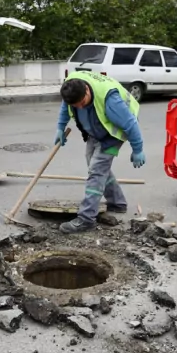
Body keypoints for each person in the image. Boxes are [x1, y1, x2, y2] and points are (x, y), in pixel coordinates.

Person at [54, 71, 145, 234]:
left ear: (87, 91)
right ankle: (117, 203)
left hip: (112, 136)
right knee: (95, 166)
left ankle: (86, 219)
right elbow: (65, 106)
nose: (80, 107)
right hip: (95, 131)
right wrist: (60, 127)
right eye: (76, 106)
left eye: (82, 102)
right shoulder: (72, 87)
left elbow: (131, 124)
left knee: (96, 172)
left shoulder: (111, 101)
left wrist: (137, 149)